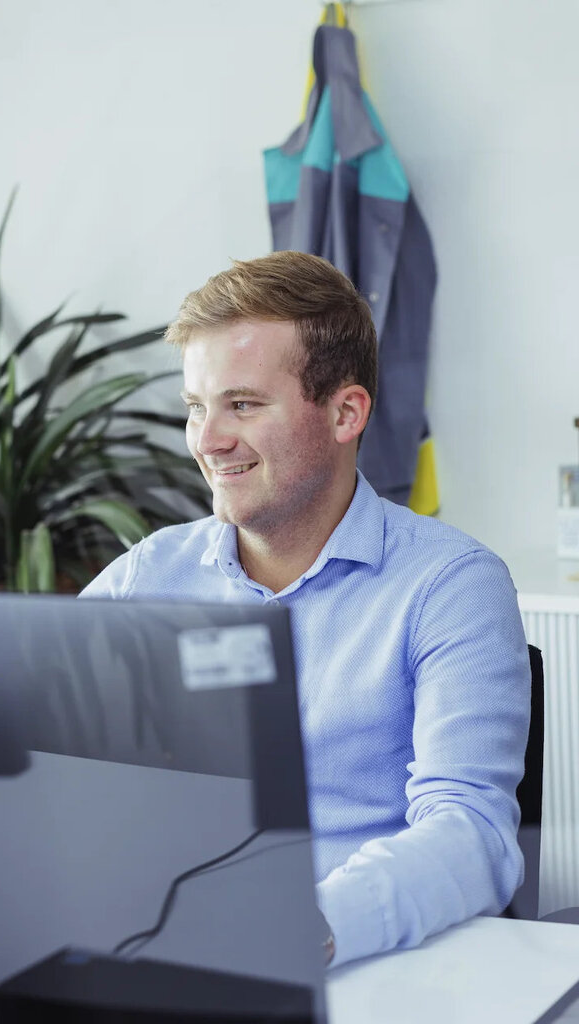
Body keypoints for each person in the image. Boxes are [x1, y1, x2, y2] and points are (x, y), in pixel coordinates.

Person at [80, 251, 530, 968]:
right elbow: (33, 750)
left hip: (359, 959)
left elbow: (471, 833)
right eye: (197, 407)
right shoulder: (146, 578)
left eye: (244, 404)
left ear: (346, 411)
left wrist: (296, 926)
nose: (208, 440)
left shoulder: (451, 585)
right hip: (162, 950)